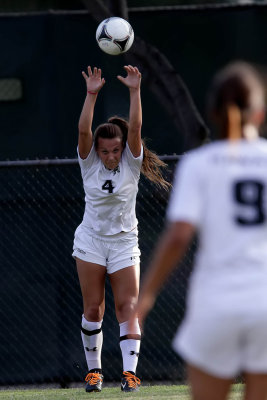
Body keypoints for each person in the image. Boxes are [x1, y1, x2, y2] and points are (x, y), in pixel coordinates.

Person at [130, 61, 267, 400]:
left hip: (215, 305)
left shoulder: (199, 164)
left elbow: (179, 236)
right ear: (260, 113)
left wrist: (144, 300)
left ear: (214, 112)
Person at [72, 65, 170, 393]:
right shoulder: (89, 163)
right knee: (92, 308)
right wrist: (91, 94)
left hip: (125, 242)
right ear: (96, 151)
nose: (111, 156)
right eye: (106, 151)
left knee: (127, 306)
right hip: (91, 241)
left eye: (116, 150)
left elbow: (136, 125)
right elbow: (84, 131)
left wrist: (134, 89)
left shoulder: (131, 162)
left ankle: (130, 375)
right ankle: (94, 373)